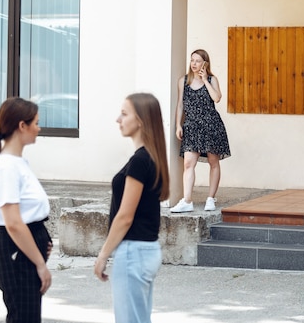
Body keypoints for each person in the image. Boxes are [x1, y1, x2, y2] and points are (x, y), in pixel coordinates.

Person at [94, 93, 170, 323]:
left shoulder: (141, 161)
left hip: (133, 252)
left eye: (124, 114)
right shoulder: (150, 158)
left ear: (141, 120)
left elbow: (125, 216)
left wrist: (103, 255)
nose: (118, 119)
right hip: (145, 250)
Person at [0, 97, 53, 323]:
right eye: (36, 123)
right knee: (23, 317)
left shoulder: (17, 163)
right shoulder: (6, 167)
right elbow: (13, 223)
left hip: (23, 252)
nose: (39, 128)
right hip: (16, 254)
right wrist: (40, 264)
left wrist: (42, 242)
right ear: (22, 125)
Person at [170, 49, 231, 213]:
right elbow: (180, 105)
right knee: (188, 163)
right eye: (192, 60)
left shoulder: (212, 79)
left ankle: (211, 198)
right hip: (191, 126)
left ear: (205, 63)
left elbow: (216, 98)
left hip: (211, 125)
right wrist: (178, 125)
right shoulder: (183, 81)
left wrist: (205, 80)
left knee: (213, 162)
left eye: (198, 61)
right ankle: (187, 200)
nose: (194, 64)